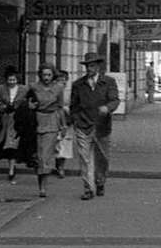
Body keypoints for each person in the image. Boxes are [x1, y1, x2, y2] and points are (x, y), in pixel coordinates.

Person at [70, 52, 120, 200]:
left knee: (102, 158)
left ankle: (100, 181)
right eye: (87, 66)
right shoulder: (78, 85)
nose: (89, 69)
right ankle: (88, 189)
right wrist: (76, 121)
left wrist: (108, 108)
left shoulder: (109, 82)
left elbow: (115, 100)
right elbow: (74, 106)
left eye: (92, 65)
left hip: (101, 126)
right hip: (83, 126)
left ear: (98, 66)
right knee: (85, 158)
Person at [26, 63, 65, 198]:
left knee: (45, 155)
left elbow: (60, 107)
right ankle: (40, 182)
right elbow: (26, 103)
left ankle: (43, 186)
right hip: (36, 121)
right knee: (38, 155)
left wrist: (63, 125)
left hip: (51, 121)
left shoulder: (59, 88)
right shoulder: (33, 87)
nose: (46, 77)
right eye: (44, 74)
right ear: (40, 75)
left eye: (49, 74)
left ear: (53, 75)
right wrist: (30, 106)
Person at [0, 67, 35, 183]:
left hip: (19, 120)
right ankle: (11, 167)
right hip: (5, 119)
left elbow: (30, 101)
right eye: (9, 80)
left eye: (13, 80)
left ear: (17, 80)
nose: (11, 82)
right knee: (7, 145)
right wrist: (3, 107)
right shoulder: (0, 89)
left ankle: (12, 168)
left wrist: (22, 108)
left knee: (14, 144)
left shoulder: (24, 89)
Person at [52, 69, 72, 178]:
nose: (62, 82)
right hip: (54, 120)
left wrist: (68, 109)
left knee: (64, 144)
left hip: (66, 121)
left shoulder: (69, 91)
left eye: (64, 80)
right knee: (55, 144)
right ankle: (56, 164)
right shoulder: (53, 90)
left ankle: (61, 167)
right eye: (59, 80)